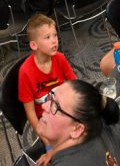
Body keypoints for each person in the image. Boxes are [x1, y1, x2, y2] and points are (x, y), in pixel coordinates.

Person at [18, 14, 77, 145]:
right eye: (47, 37)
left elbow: (75, 86)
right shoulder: (25, 72)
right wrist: (47, 143)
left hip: (64, 109)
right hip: (46, 119)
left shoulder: (60, 58)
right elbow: (31, 113)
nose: (54, 41)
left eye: (55, 35)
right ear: (34, 45)